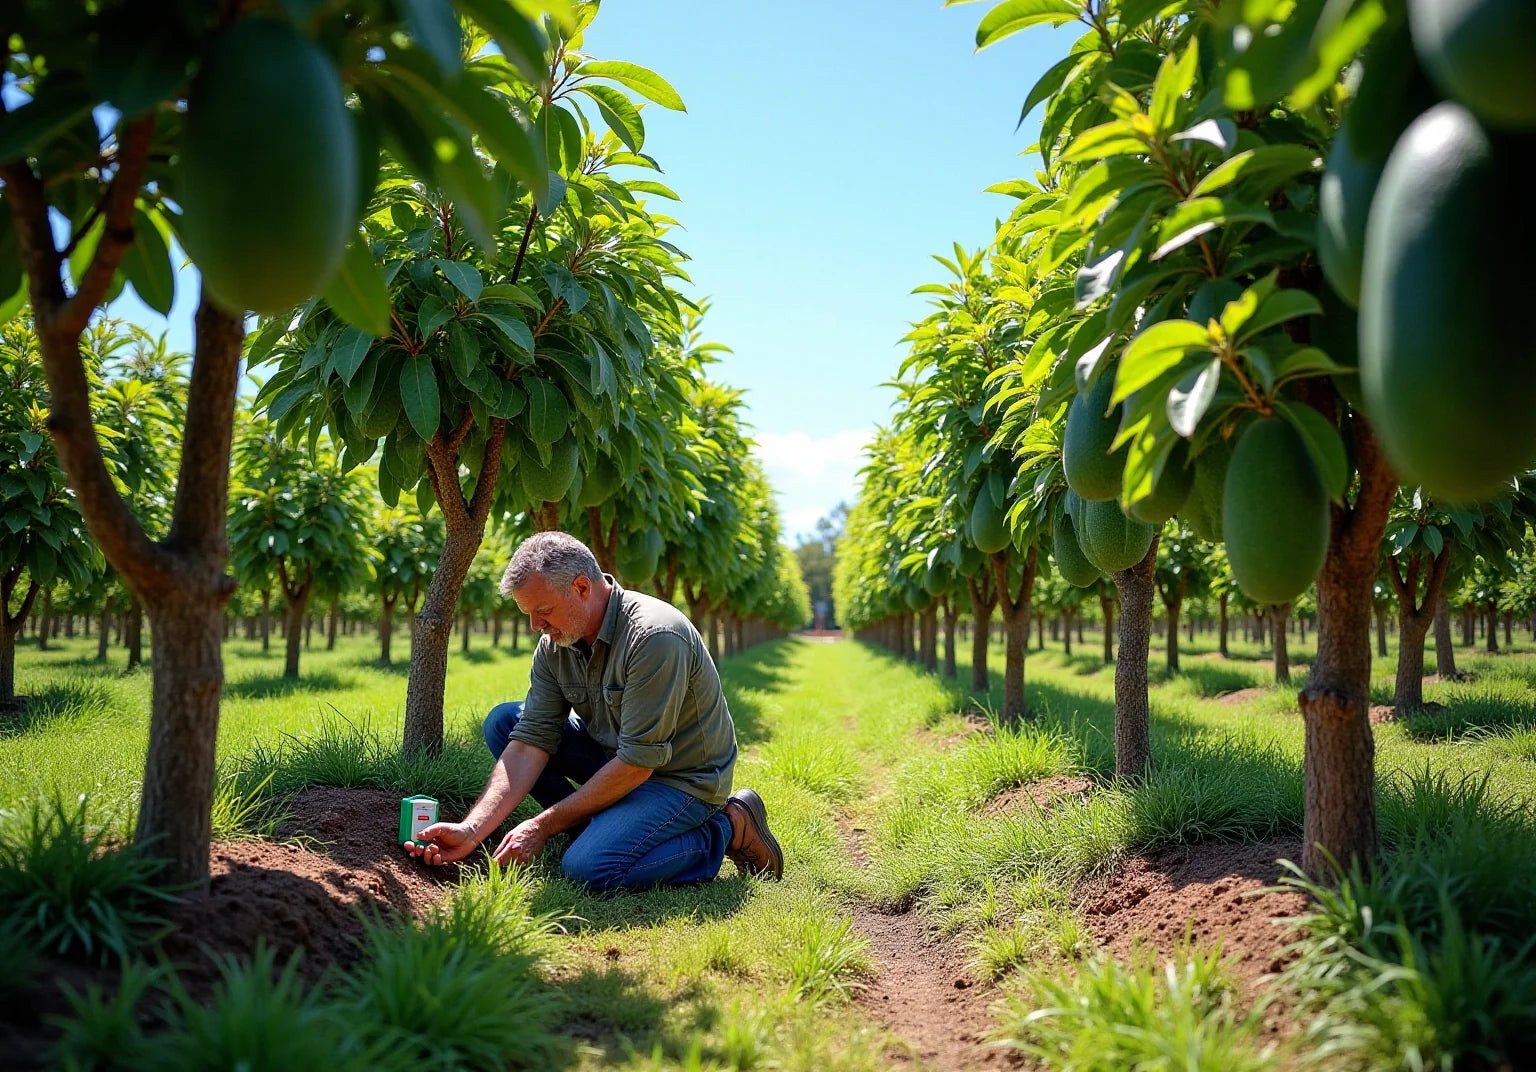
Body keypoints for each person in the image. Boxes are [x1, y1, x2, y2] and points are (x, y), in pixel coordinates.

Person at [403, 531, 782, 890]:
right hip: (615, 757)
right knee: (505, 723)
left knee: (587, 869)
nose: (535, 626)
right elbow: (531, 738)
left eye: (544, 611)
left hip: (681, 779)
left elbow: (638, 762)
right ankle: (599, 831)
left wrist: (541, 826)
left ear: (582, 588)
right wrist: (472, 830)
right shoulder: (555, 644)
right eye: (528, 614)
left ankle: (726, 828)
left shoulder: (654, 638)